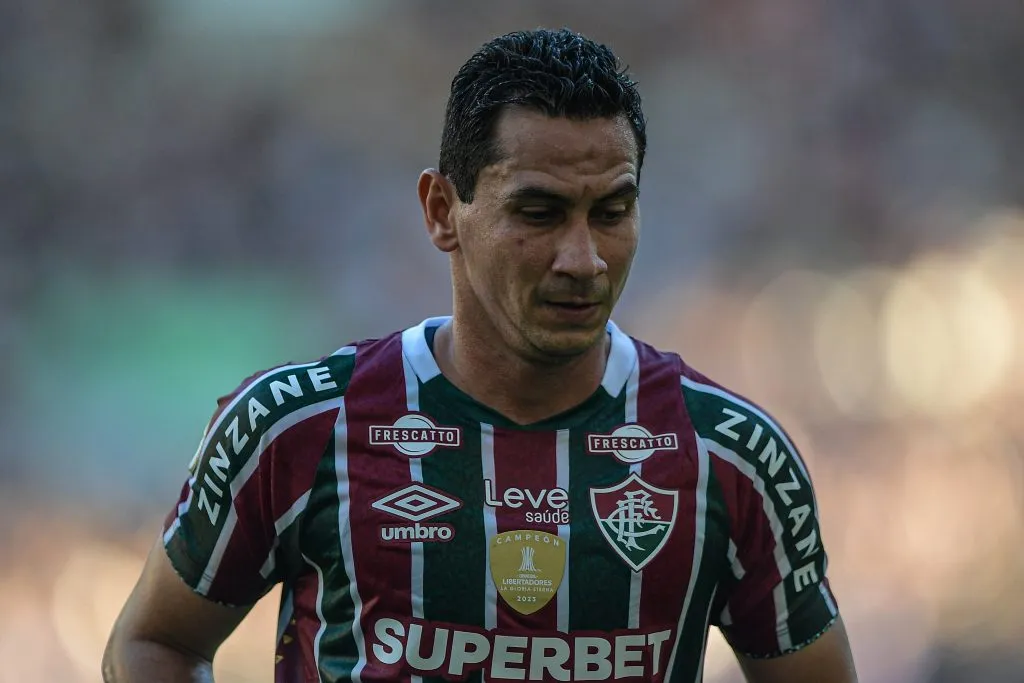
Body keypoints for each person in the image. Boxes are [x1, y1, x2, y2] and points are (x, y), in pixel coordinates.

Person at [103, 28, 857, 683]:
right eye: (539, 212)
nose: (583, 258)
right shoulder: (297, 427)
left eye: (611, 211)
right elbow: (154, 642)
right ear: (442, 211)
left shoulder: (729, 455)